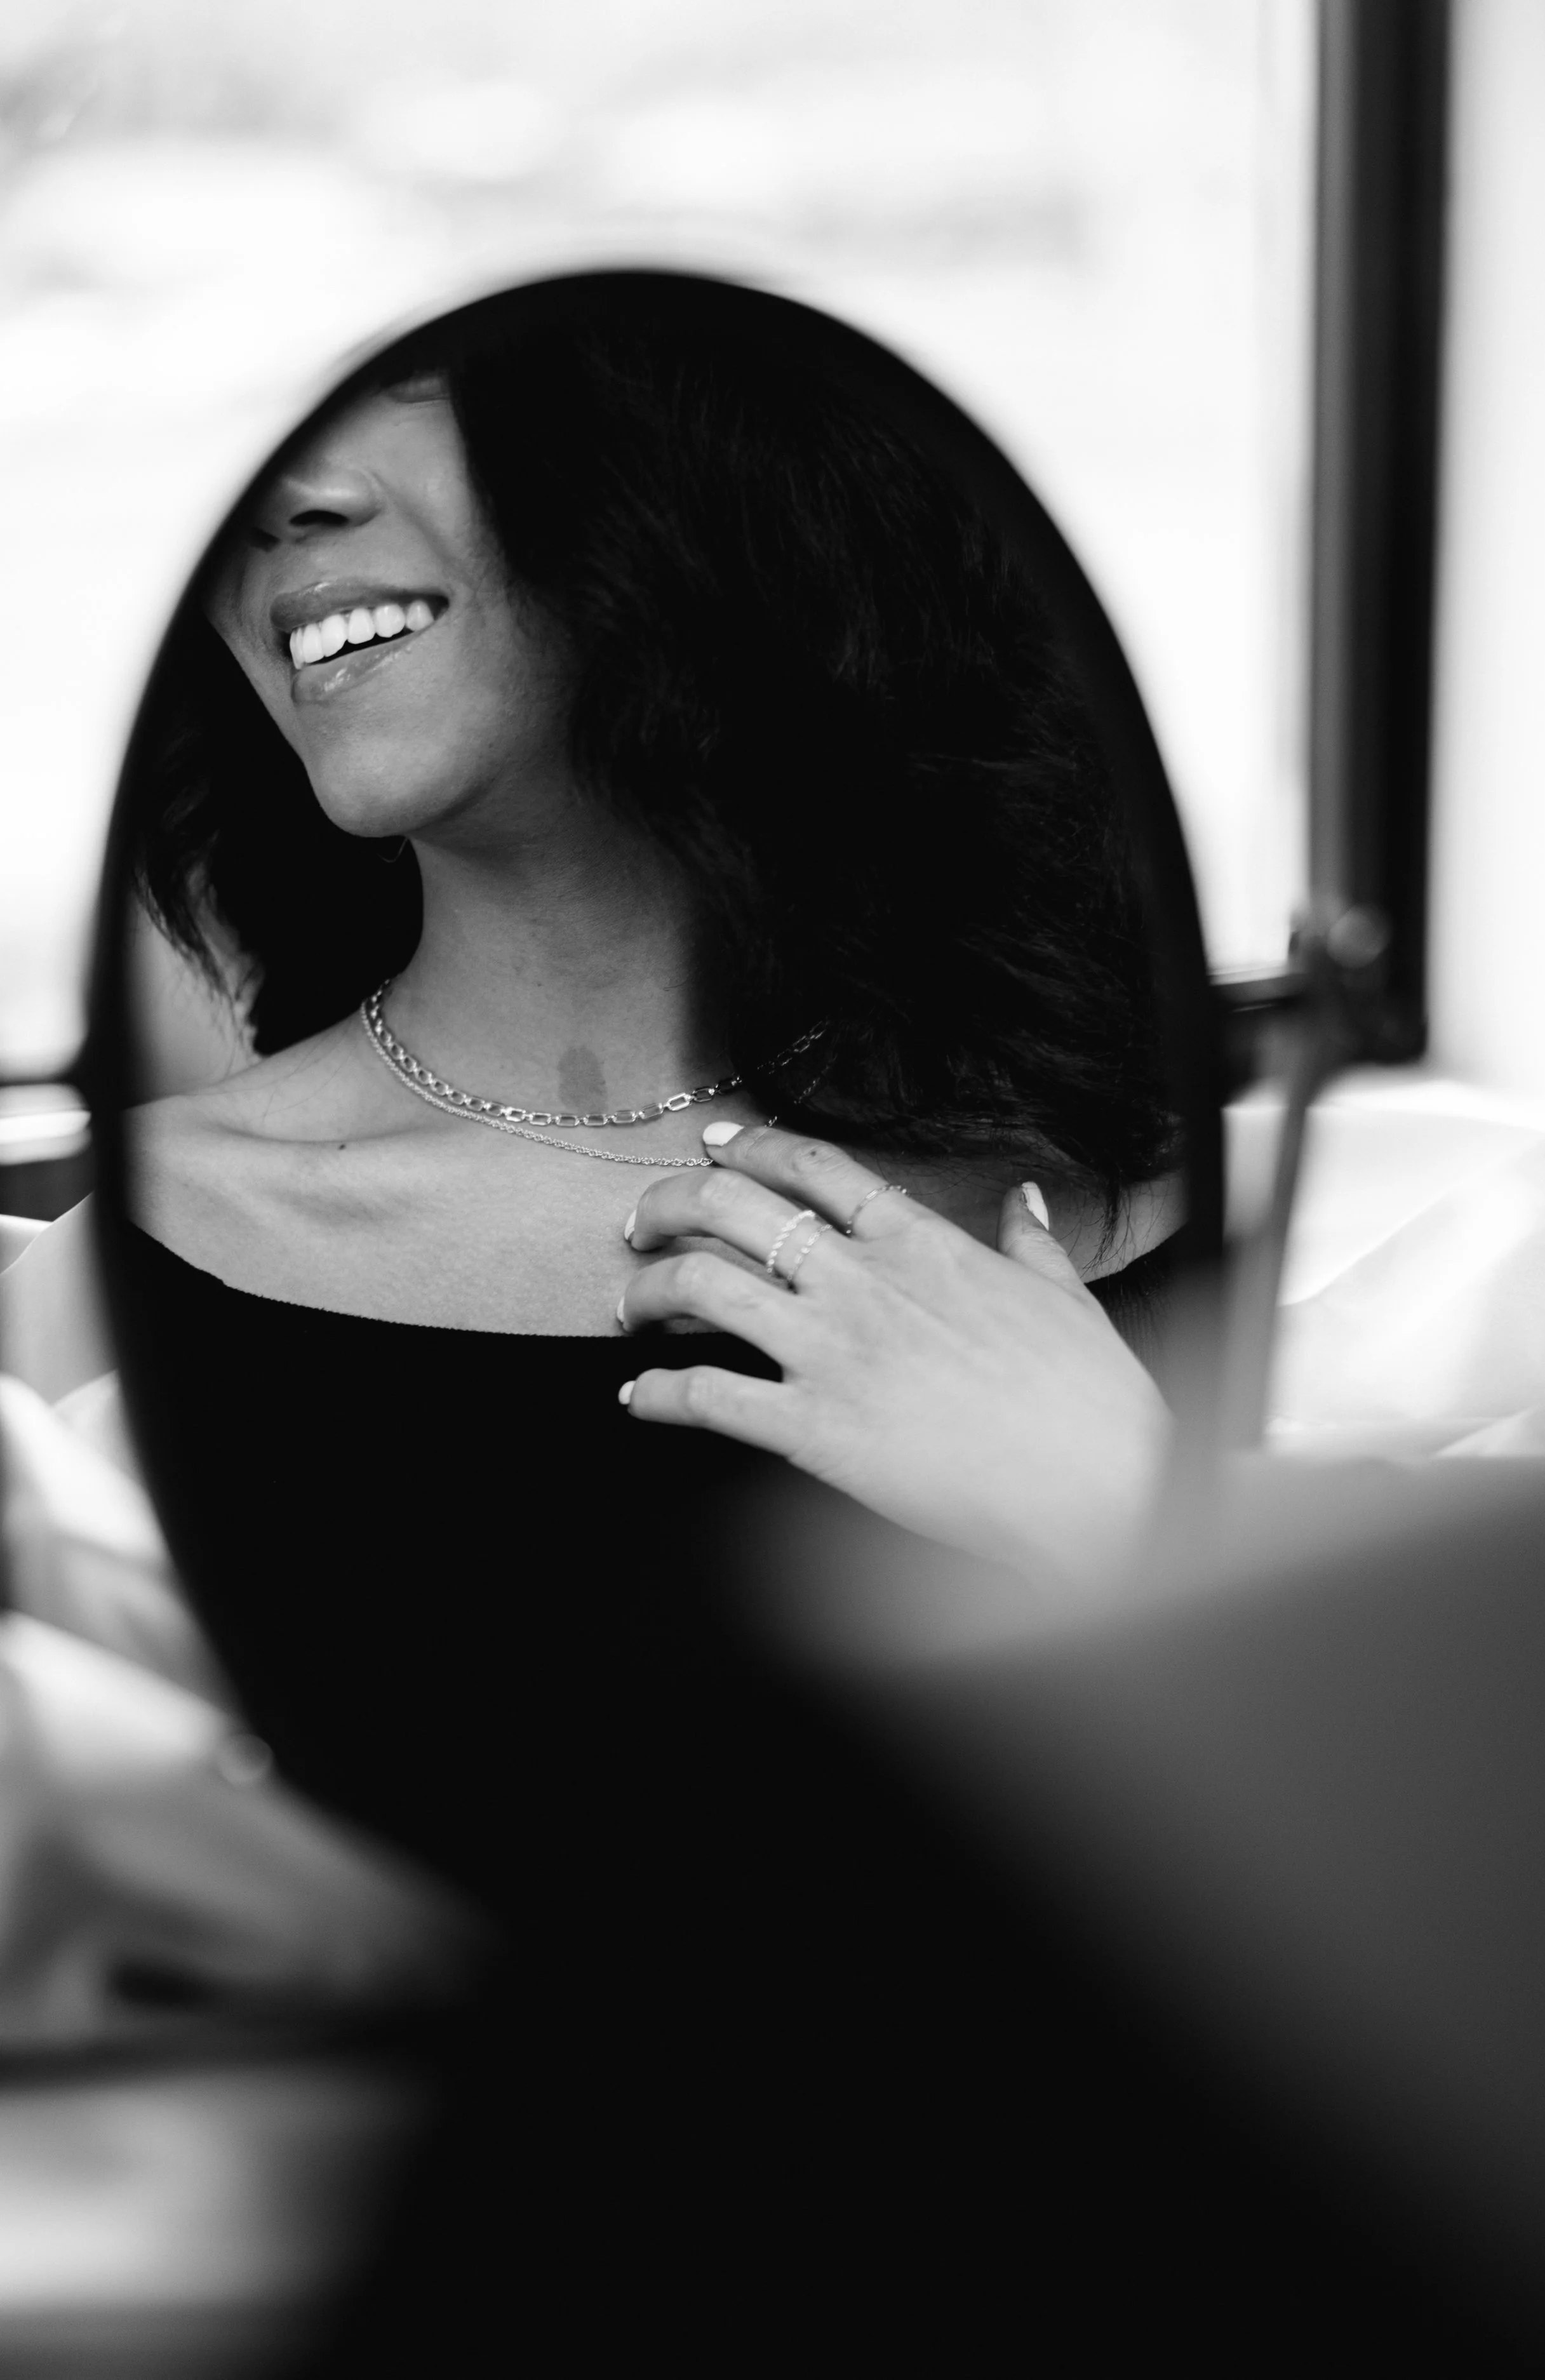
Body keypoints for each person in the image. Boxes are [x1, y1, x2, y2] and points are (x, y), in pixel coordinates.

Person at [3, 279, 1226, 2358]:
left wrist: (1135, 1519)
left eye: (404, 391)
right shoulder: (109, 1293)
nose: (281, 504)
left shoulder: (1156, 1201)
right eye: (246, 451)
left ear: (685, 451)